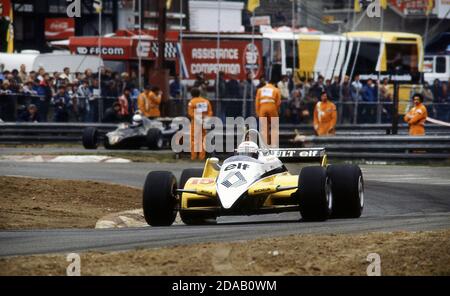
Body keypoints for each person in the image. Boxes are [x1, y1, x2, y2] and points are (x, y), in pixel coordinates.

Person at [188, 87, 213, 160]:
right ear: (199, 93)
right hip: (204, 122)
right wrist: (206, 119)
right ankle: (202, 157)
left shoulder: (192, 102)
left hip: (196, 122)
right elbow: (210, 111)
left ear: (191, 94)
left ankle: (193, 156)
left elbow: (190, 113)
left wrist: (197, 118)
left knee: (193, 139)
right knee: (203, 139)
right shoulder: (206, 101)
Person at [255, 79, 281, 146]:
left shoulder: (260, 90)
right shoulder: (276, 90)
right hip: (272, 107)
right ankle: (274, 144)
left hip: (262, 108)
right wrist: (276, 111)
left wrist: (258, 113)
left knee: (264, 127)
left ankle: (265, 144)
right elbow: (278, 103)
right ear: (274, 84)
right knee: (274, 126)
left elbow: (257, 103)